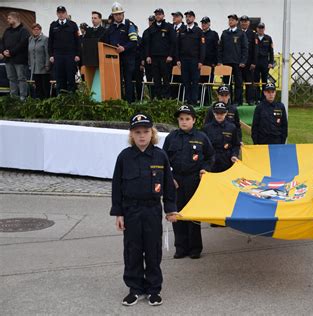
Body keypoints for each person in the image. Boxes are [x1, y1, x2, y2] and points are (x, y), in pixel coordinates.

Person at [110, 112, 178, 307]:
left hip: (152, 210)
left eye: (146, 131)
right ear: (132, 134)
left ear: (152, 133)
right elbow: (117, 187)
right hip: (131, 211)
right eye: (137, 132)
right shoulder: (124, 157)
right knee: (132, 250)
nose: (142, 136)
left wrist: (170, 210)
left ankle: (153, 289)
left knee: (153, 250)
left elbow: (168, 185)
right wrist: (119, 213)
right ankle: (135, 288)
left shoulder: (160, 155)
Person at [163, 105, 215, 259]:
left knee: (193, 214)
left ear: (194, 120)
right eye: (181, 119)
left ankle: (195, 248)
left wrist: (205, 169)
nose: (184, 122)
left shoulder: (201, 137)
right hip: (176, 180)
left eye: (187, 119)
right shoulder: (171, 138)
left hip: (194, 179)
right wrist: (169, 178)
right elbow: (163, 160)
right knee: (177, 213)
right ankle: (181, 248)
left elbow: (210, 156)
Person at [100, 2, 138, 103]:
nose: (118, 16)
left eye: (120, 14)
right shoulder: (110, 28)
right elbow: (103, 41)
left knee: (128, 81)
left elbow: (134, 41)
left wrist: (124, 48)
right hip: (113, 60)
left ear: (123, 14)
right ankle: (118, 101)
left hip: (127, 59)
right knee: (116, 81)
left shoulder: (129, 25)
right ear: (113, 15)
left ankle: (129, 103)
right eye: (116, 14)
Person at [143, 8, 175, 99]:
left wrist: (170, 55)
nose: (158, 16)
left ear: (163, 15)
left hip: (165, 58)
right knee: (156, 79)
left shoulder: (168, 26)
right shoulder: (151, 28)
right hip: (154, 58)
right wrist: (147, 56)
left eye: (160, 14)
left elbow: (173, 42)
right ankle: (158, 98)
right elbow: (147, 43)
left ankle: (166, 98)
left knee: (166, 79)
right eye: (156, 14)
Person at [48, 6, 81, 93]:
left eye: (63, 12)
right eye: (59, 13)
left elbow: (77, 41)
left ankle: (71, 99)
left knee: (71, 78)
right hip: (58, 55)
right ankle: (61, 99)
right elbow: (50, 41)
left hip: (70, 55)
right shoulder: (53, 25)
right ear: (57, 14)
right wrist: (51, 55)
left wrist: (78, 54)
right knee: (59, 78)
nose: (61, 14)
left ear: (66, 13)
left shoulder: (73, 25)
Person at [176, 11, 205, 106]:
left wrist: (201, 61)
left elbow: (202, 47)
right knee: (186, 81)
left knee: (195, 81)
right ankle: (188, 100)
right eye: (186, 17)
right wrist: (178, 60)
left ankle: (194, 100)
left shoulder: (198, 31)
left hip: (195, 60)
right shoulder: (182, 30)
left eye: (190, 17)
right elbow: (178, 46)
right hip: (184, 60)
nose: (188, 18)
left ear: (194, 18)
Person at [218, 14, 248, 105]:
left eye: (232, 20)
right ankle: (227, 100)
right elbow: (220, 48)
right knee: (227, 83)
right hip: (226, 62)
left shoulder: (241, 33)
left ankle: (237, 101)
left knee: (238, 82)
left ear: (236, 21)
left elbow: (245, 48)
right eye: (229, 20)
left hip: (237, 62)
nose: (230, 21)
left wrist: (243, 61)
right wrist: (219, 61)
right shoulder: (224, 33)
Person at [203, 101, 240, 172]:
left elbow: (236, 145)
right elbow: (203, 147)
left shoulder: (232, 128)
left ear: (226, 113)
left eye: (222, 113)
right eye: (217, 113)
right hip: (211, 162)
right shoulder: (206, 128)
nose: (219, 115)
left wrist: (234, 155)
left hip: (226, 160)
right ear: (213, 113)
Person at [1, 12, 31, 100]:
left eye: (9, 18)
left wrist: (11, 52)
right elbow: (2, 42)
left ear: (15, 18)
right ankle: (13, 97)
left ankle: (23, 98)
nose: (7, 20)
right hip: (8, 60)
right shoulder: (7, 31)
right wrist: (3, 51)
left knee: (21, 78)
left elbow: (22, 44)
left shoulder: (24, 31)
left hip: (20, 60)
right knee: (11, 78)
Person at [28, 23, 50, 99]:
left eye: (38, 29)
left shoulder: (45, 39)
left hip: (43, 67)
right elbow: (29, 53)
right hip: (34, 68)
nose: (36, 31)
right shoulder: (30, 39)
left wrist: (47, 64)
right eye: (34, 29)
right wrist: (30, 64)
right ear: (32, 30)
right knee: (38, 86)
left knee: (45, 87)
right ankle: (39, 102)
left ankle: (46, 101)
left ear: (40, 30)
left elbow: (47, 53)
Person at [200, 16, 219, 106]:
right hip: (200, 62)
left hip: (210, 62)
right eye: (202, 23)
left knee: (208, 83)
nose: (203, 24)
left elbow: (217, 49)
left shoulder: (214, 34)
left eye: (205, 23)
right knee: (199, 82)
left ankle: (207, 101)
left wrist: (215, 62)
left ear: (209, 24)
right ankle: (200, 100)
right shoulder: (199, 33)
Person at [239, 15, 257, 105]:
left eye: (245, 21)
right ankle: (239, 100)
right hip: (239, 62)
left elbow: (255, 49)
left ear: (249, 23)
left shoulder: (253, 34)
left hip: (249, 63)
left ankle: (250, 100)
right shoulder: (237, 32)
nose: (244, 23)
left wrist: (254, 62)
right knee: (239, 82)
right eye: (242, 21)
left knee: (249, 82)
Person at [254, 23, 274, 101]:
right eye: (259, 28)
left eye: (262, 28)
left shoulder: (268, 38)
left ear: (264, 29)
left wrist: (271, 62)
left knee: (264, 80)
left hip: (264, 61)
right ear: (257, 29)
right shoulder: (254, 37)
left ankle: (264, 98)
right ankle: (256, 98)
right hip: (256, 61)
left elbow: (271, 52)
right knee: (256, 81)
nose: (261, 29)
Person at [141, 15, 156, 100]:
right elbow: (143, 47)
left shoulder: (157, 31)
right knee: (149, 78)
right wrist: (143, 59)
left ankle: (157, 97)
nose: (150, 22)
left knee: (157, 79)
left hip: (156, 59)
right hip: (147, 60)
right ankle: (151, 96)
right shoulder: (146, 32)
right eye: (149, 20)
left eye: (152, 20)